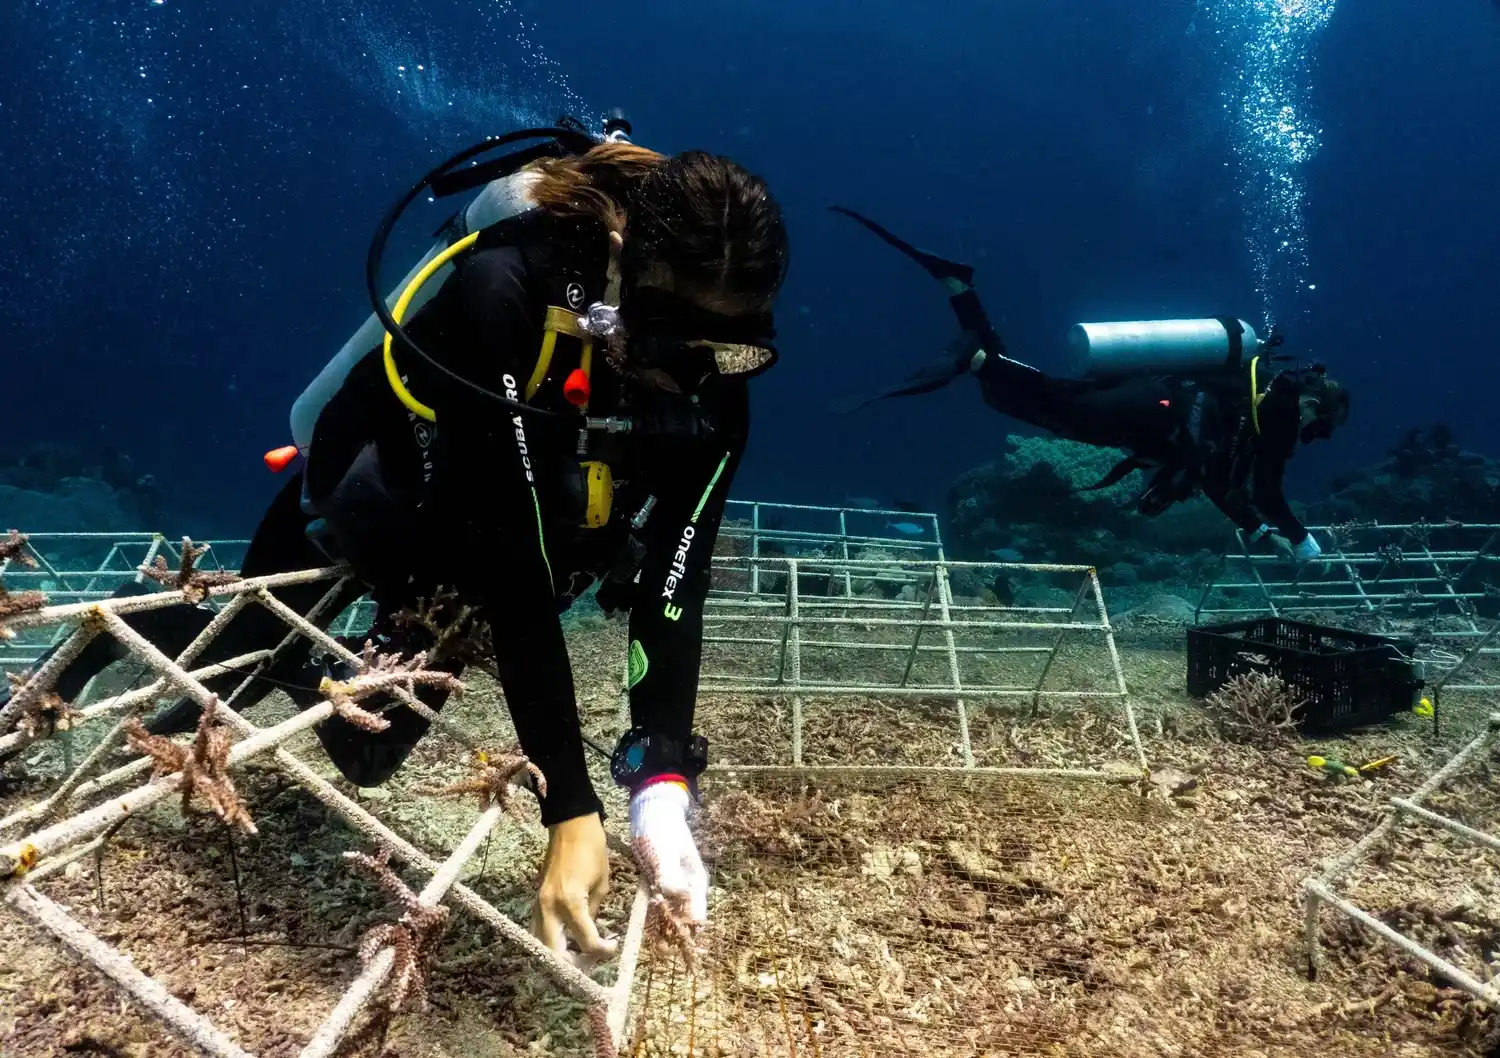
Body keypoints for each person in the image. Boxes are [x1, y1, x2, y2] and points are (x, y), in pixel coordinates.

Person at [2, 122, 789, 962]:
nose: (700, 376)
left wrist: (659, 792)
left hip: (492, 539)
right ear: (622, 280)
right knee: (248, 636)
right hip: (376, 491)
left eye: (734, 351)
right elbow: (513, 568)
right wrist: (572, 804)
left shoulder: (713, 374)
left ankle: (284, 676)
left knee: (364, 750)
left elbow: (677, 580)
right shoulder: (506, 286)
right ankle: (91, 652)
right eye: (677, 346)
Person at [828, 206, 1348, 560]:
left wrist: (1255, 529)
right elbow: (1268, 491)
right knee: (1051, 404)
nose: (1310, 435)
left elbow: (1213, 474)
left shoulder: (1254, 406)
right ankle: (978, 356)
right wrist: (1303, 543)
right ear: (1310, 403)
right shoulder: (1274, 418)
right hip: (1154, 409)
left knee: (1035, 404)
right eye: (1318, 426)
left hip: (1152, 404)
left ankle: (960, 291)